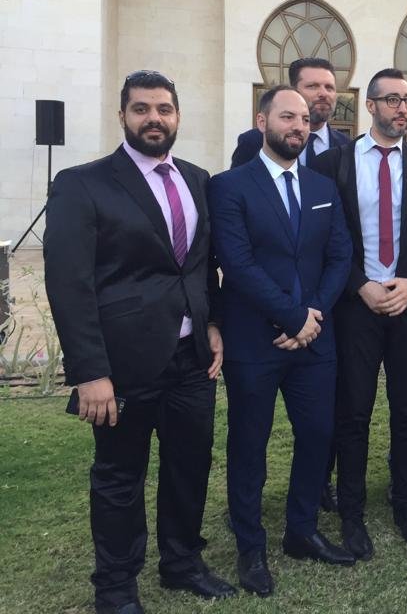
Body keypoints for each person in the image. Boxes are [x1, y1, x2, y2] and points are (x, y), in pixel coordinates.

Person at [44, 70, 236, 613]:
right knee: (118, 479)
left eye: (164, 109)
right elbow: (69, 284)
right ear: (123, 116)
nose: (154, 118)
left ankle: (182, 563)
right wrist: (90, 372)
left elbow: (203, 266)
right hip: (122, 365)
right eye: (142, 109)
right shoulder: (83, 184)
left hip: (191, 360)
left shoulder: (197, 179)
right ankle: (115, 588)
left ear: (177, 116)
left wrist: (213, 323)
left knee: (189, 466)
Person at [209, 85, 354, 598]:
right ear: (262, 121)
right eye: (287, 116)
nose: (299, 126)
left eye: (305, 119)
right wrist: (293, 317)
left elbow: (340, 256)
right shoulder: (229, 187)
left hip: (315, 340)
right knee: (250, 444)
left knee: (317, 436)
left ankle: (301, 531)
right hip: (254, 342)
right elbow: (237, 263)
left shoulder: (322, 187)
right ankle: (251, 546)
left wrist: (312, 315)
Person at [312, 69, 407, 557]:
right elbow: (326, 238)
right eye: (392, 100)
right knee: (353, 413)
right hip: (357, 307)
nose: (402, 108)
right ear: (370, 105)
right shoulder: (334, 163)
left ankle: (405, 505)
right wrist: (358, 286)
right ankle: (352, 513)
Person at [230, 57, 350, 169]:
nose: (323, 93)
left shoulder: (347, 146)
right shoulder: (254, 141)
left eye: (329, 87)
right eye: (313, 86)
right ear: (293, 91)